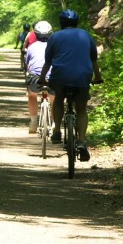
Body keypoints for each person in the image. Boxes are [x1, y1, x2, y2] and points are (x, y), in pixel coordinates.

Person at [38, 9, 102, 162]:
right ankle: (81, 141)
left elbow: (48, 62)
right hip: (82, 77)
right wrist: (98, 77)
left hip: (60, 76)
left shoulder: (55, 37)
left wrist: (42, 79)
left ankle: (57, 131)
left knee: (59, 98)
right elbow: (93, 60)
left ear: (61, 23)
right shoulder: (86, 35)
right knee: (81, 110)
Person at [24, 21, 54, 133]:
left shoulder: (31, 47)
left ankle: (33, 122)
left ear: (35, 34)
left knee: (32, 95)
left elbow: (28, 66)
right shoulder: (55, 46)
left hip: (36, 78)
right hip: (52, 78)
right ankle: (54, 123)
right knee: (55, 100)